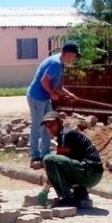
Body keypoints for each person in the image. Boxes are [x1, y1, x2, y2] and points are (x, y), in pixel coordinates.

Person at [26, 41, 81, 169]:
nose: (74, 58)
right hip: (37, 97)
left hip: (44, 97)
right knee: (37, 126)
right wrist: (52, 93)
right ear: (68, 53)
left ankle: (45, 155)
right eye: (74, 55)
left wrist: (70, 94)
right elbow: (44, 81)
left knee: (49, 125)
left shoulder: (59, 63)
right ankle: (35, 156)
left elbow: (58, 85)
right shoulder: (55, 63)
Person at [40, 111, 103, 207]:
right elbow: (63, 166)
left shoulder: (66, 135)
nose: (50, 128)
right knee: (57, 162)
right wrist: (46, 188)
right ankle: (81, 196)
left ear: (60, 122)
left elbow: (54, 164)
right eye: (47, 125)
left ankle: (67, 198)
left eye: (52, 124)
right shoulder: (63, 135)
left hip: (90, 172)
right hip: (92, 172)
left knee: (49, 159)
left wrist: (45, 189)